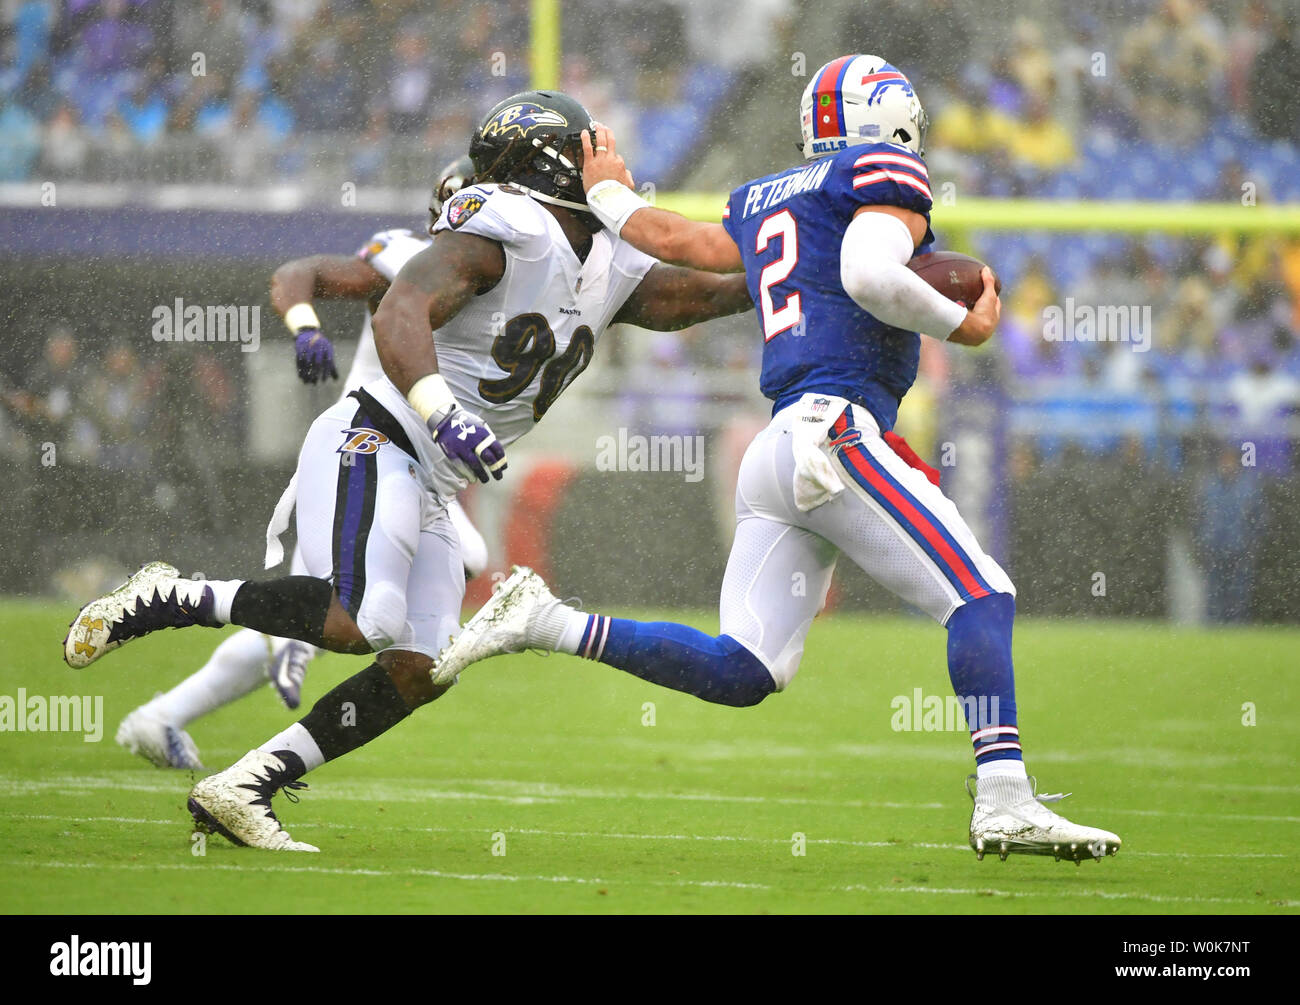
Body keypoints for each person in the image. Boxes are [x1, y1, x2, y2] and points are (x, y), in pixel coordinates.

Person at [434, 57, 1121, 864]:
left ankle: (548, 621)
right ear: (892, 118)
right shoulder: (882, 170)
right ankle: (1005, 799)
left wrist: (610, 191)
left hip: (779, 449)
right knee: (981, 592)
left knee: (746, 667)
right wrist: (962, 328)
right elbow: (868, 273)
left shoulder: (773, 196)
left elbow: (682, 241)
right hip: (838, 431)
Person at [62, 90, 752, 852]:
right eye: (588, 146)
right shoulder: (510, 228)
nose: (609, 154)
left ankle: (245, 783)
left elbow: (701, 295)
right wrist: (441, 412)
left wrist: (804, 265)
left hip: (433, 477)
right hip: (380, 432)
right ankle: (173, 595)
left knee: (420, 667)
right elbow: (402, 310)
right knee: (364, 619)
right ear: (550, 161)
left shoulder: (604, 262)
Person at [112, 156, 490, 771]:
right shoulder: (410, 257)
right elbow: (301, 274)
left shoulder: (521, 277)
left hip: (420, 469)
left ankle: (170, 711)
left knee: (375, 610)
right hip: (366, 453)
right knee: (337, 617)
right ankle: (179, 682)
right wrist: (307, 326)